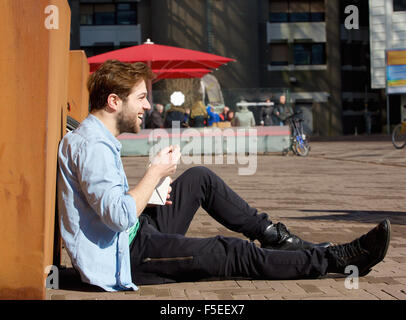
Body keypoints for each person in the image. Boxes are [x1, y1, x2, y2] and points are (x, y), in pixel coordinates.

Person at [57, 60, 391, 292]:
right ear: (115, 101)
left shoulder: (97, 140)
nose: (147, 106)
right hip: (128, 257)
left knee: (199, 178)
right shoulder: (93, 147)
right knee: (231, 253)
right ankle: (334, 258)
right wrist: (154, 173)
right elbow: (117, 216)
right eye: (141, 98)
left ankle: (276, 237)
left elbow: (110, 206)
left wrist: (150, 194)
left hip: (133, 234)